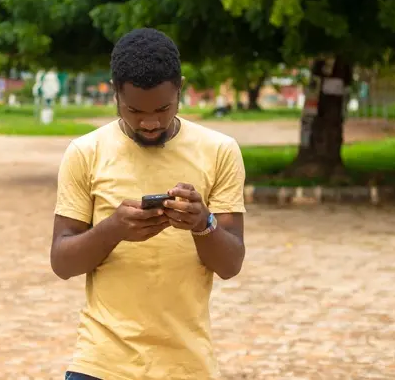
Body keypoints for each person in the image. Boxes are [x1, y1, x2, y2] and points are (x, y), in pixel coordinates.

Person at [50, 28, 247, 380]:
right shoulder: (86, 153)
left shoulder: (220, 151)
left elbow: (231, 263)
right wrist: (113, 229)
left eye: (163, 108)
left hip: (188, 366)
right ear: (115, 92)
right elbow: (62, 262)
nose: (150, 122)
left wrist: (203, 223)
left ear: (180, 89)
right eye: (134, 111)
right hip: (100, 363)